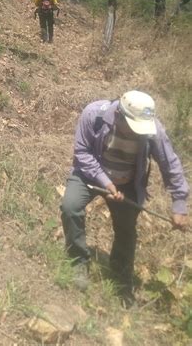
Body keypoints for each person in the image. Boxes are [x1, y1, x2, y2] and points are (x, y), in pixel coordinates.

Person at [60, 91, 188, 305]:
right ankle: (77, 262)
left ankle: (121, 283)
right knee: (70, 207)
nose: (138, 133)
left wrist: (179, 205)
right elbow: (82, 153)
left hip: (127, 183)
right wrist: (107, 183)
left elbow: (170, 164)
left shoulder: (151, 129)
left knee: (126, 231)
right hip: (89, 176)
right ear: (119, 114)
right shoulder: (94, 115)